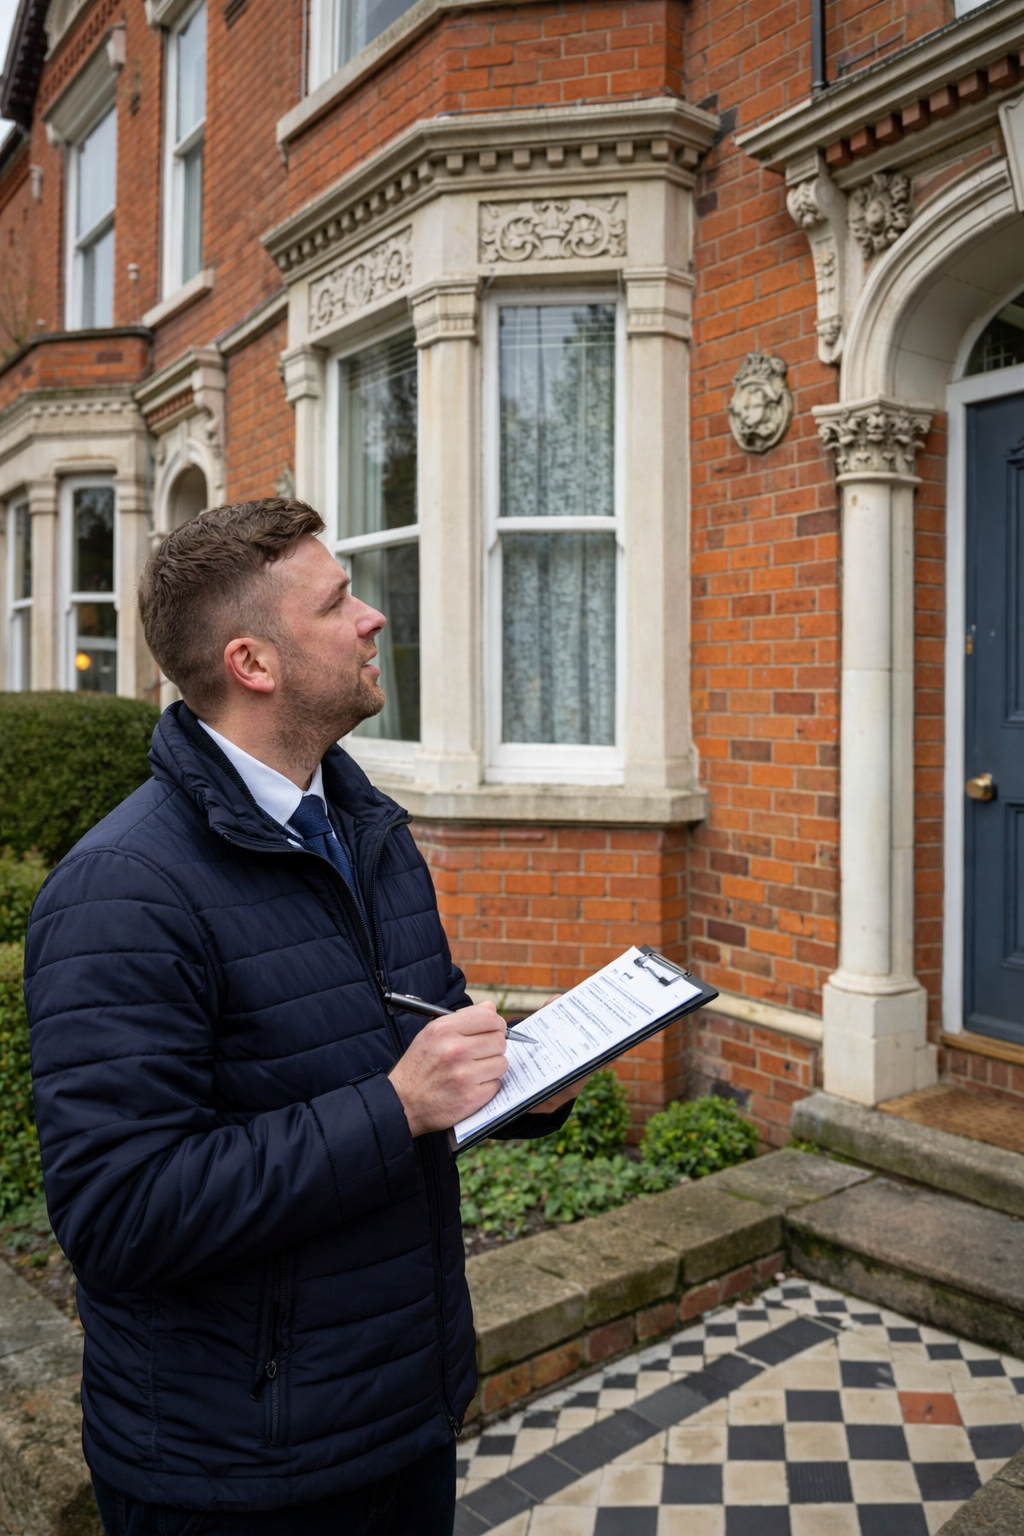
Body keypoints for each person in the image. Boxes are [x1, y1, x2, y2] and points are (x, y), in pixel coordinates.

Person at [24, 498, 580, 1536]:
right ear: (253, 663)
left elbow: (408, 1044)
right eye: (336, 603)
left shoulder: (367, 828)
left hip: (403, 1416)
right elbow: (119, 1213)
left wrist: (526, 1078)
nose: (373, 618)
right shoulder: (120, 892)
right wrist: (396, 1106)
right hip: (237, 1475)